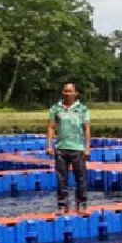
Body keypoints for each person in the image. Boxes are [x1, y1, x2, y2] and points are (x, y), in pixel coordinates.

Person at [45, 81, 91, 213]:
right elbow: (51, 127)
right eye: (65, 91)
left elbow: (86, 129)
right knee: (61, 178)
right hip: (60, 147)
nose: (67, 93)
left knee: (80, 177)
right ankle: (62, 205)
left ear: (75, 93)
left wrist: (87, 148)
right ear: (62, 92)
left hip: (77, 148)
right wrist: (49, 145)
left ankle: (81, 204)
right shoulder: (55, 108)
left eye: (70, 91)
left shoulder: (82, 109)